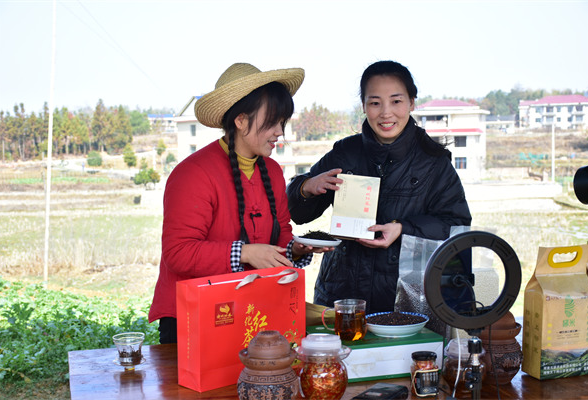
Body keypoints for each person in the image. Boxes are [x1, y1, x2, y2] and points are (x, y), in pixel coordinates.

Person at [149, 63, 332, 344]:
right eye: (271, 122)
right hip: (193, 318)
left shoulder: (271, 171)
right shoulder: (193, 174)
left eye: (282, 122)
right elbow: (178, 253)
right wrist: (246, 253)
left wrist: (293, 248)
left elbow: (280, 231)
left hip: (252, 310)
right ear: (240, 120)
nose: (279, 132)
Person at [286, 60, 472, 315]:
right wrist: (306, 187)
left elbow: (456, 224)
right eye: (375, 103)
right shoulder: (345, 152)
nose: (386, 113)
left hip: (404, 299)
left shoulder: (434, 161)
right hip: (341, 297)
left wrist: (404, 229)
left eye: (396, 101)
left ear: (412, 103)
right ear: (363, 106)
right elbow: (298, 213)